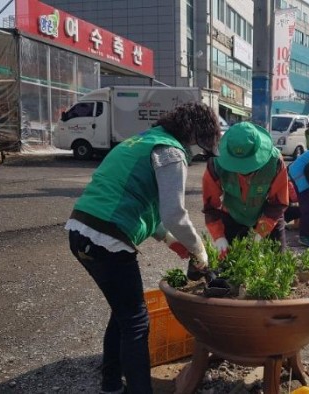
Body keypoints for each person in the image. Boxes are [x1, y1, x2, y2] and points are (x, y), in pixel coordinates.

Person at [65, 102, 220, 394]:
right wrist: (200, 250)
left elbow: (139, 203)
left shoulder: (142, 140)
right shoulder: (171, 152)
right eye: (205, 147)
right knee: (136, 323)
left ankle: (111, 384)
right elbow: (174, 213)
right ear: (197, 135)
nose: (201, 154)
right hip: (107, 240)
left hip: (80, 230)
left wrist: (171, 241)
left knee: (122, 312)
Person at [203, 122, 289, 255]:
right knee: (228, 266)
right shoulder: (215, 164)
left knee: (277, 263)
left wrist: (260, 233)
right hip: (232, 215)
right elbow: (211, 207)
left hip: (267, 215)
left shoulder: (275, 162)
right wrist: (219, 236)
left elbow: (278, 203)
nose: (243, 172)